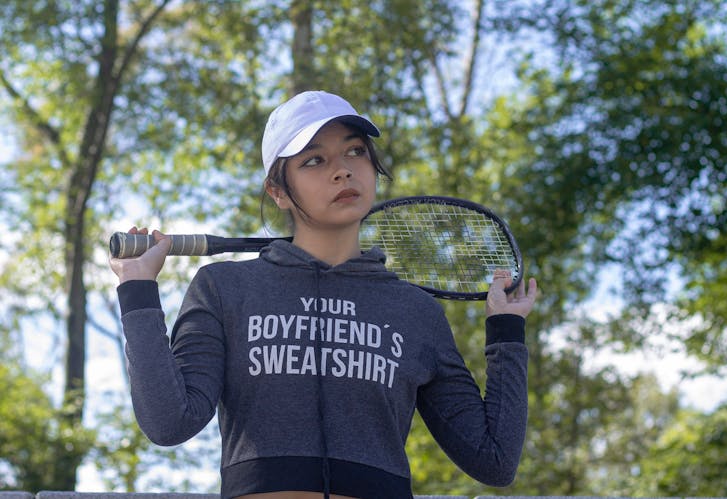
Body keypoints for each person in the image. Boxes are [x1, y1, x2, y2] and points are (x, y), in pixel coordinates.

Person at [110, 90, 538, 499]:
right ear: (278, 191)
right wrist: (138, 290)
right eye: (314, 160)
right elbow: (168, 423)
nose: (343, 170)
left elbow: (494, 462)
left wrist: (506, 330)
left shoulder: (414, 312)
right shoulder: (224, 290)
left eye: (355, 152)